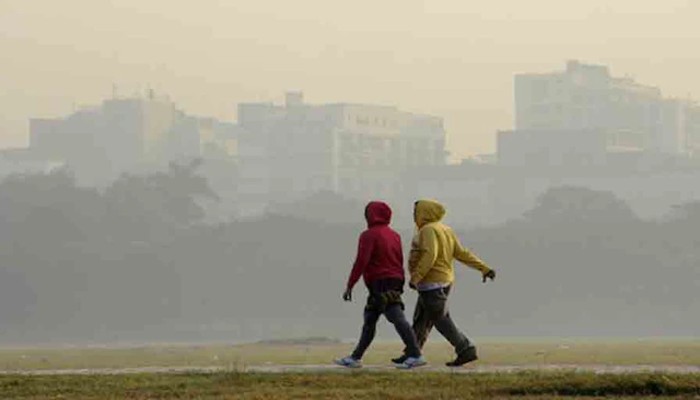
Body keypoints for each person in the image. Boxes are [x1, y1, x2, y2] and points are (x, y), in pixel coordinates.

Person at [392, 199, 496, 367]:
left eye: (415, 212)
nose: (414, 216)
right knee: (422, 319)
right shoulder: (445, 229)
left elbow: (430, 255)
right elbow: (461, 253)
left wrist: (416, 277)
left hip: (431, 282)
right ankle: (412, 351)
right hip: (444, 280)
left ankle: (465, 348)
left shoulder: (428, 230)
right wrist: (484, 268)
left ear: (424, 213)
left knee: (440, 319)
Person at [334, 201, 426, 369]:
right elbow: (399, 259)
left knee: (396, 317)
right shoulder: (395, 235)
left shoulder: (368, 235)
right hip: (394, 279)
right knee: (370, 318)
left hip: (380, 282)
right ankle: (355, 357)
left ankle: (415, 354)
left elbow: (361, 261)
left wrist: (350, 285)